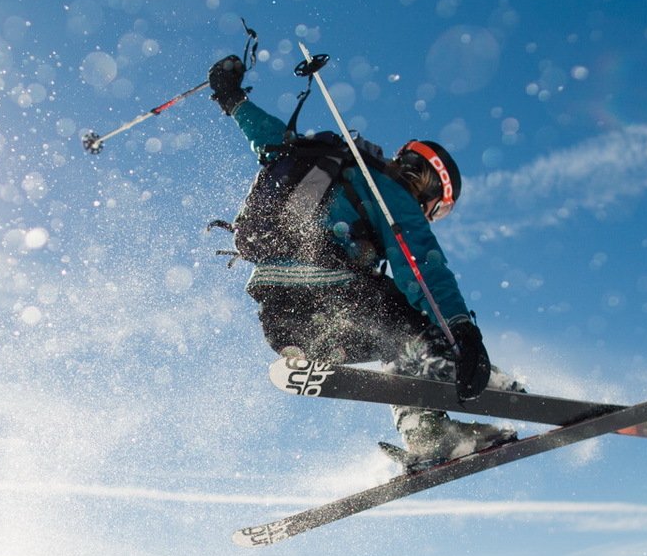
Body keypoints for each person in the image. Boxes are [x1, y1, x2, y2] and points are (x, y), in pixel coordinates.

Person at [209, 53, 519, 469]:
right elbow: (422, 266)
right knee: (419, 328)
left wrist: (231, 98)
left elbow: (267, 137)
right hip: (330, 295)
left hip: (285, 320)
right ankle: (465, 380)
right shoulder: (390, 191)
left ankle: (425, 433)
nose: (431, 215)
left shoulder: (318, 160)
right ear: (427, 185)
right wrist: (463, 333)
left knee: (396, 344)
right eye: (439, 209)